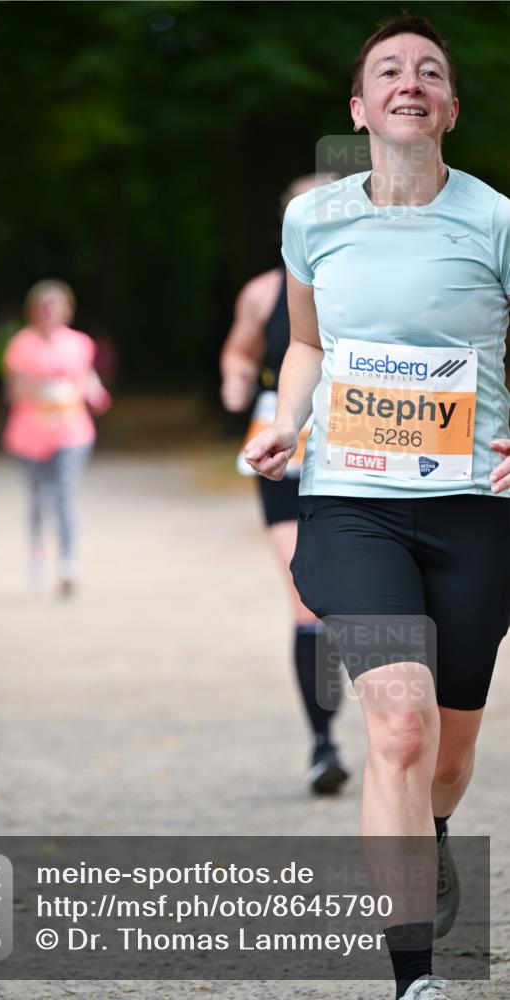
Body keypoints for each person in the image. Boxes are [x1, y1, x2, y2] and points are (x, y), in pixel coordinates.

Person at [244, 14, 510, 1000]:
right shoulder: (312, 223)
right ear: (358, 108)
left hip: (473, 505)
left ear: (446, 106)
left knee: (449, 744)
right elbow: (305, 344)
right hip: (352, 500)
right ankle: (413, 978)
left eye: (429, 72)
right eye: (388, 71)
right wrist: (285, 420)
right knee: (398, 729)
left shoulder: (496, 220)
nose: (410, 82)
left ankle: (431, 825)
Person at [220, 174, 351, 794]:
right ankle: (323, 744)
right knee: (307, 598)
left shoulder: (370, 285)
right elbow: (240, 351)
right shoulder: (262, 293)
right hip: (286, 453)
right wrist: (237, 381)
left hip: (365, 454)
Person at [3, 280, 111, 596]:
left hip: (72, 432)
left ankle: (67, 562)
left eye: (56, 304)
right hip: (29, 434)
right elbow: (14, 391)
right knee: (39, 498)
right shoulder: (21, 345)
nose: (49, 310)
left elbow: (86, 378)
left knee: (65, 493)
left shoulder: (80, 343)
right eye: (43, 304)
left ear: (68, 309)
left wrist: (93, 391)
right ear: (33, 310)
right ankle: (38, 553)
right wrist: (46, 386)